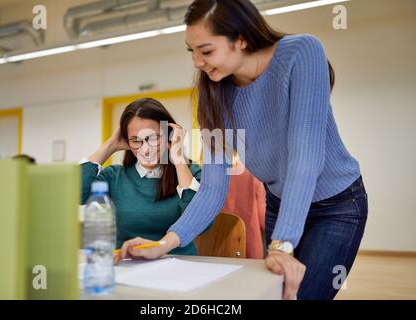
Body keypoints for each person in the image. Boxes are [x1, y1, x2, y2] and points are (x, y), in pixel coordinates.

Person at [118, 0, 368, 300]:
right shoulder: (214, 95)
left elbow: (305, 157)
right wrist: (165, 243)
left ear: (241, 38)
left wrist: (282, 243)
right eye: (192, 51)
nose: (197, 62)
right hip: (280, 203)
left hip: (337, 206)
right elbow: (212, 188)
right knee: (275, 294)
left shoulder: (301, 53)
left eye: (206, 51)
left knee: (302, 296)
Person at [81, 98, 202, 258]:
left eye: (153, 138)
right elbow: (77, 194)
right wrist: (110, 145)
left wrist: (178, 158)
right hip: (128, 264)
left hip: (180, 265)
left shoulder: (191, 172)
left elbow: (200, 221)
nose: (145, 150)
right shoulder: (114, 176)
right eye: (136, 140)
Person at [222, 154, 266, 259]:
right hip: (249, 239)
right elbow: (263, 218)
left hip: (221, 240)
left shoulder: (212, 173)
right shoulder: (253, 171)